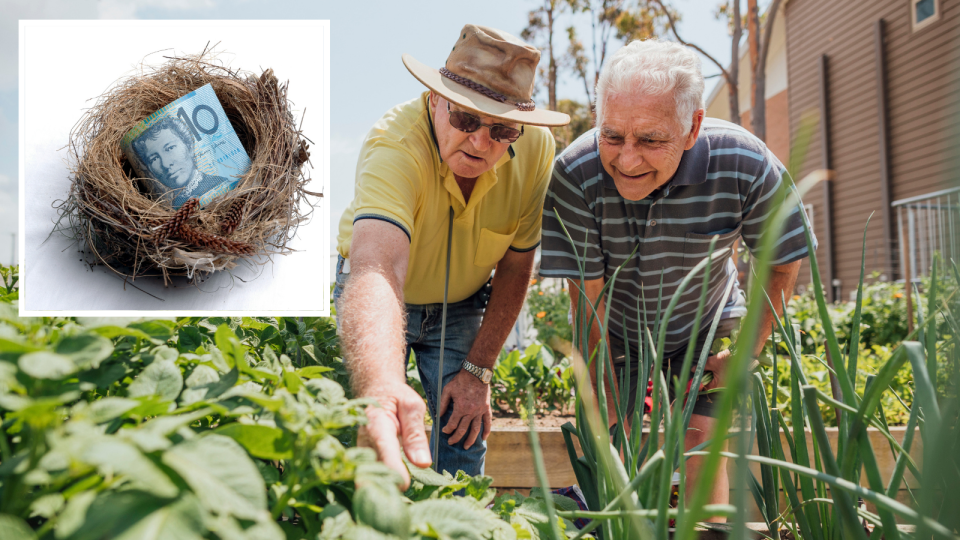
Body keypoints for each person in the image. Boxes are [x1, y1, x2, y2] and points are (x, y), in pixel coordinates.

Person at [540, 39, 815, 518]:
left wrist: (746, 350)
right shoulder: (576, 174)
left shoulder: (744, 163)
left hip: (708, 322)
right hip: (619, 329)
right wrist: (603, 395)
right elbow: (587, 302)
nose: (627, 160)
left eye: (650, 140)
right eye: (613, 135)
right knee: (610, 453)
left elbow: (782, 257)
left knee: (701, 450)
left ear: (693, 128)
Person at [334, 24, 570, 487]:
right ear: (434, 100)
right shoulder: (394, 146)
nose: (481, 143)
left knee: (464, 431)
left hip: (461, 303)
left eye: (501, 129)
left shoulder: (537, 150)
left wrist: (478, 371)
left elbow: (518, 265)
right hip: (383, 296)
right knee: (366, 423)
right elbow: (377, 267)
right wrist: (382, 384)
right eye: (465, 120)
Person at [132, 116, 229, 208]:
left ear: (189, 146)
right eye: (154, 159)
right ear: (149, 169)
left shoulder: (220, 184)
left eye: (170, 148)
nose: (165, 164)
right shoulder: (173, 207)